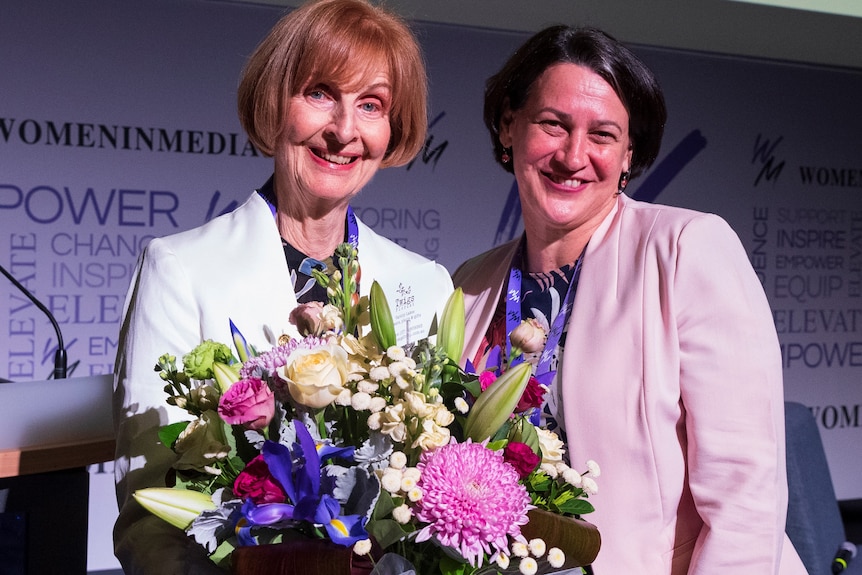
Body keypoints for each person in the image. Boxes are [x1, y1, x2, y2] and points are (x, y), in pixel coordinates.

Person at [111, 1, 452, 572]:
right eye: (320, 93)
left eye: (371, 105)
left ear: (394, 129)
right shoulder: (180, 269)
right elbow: (148, 514)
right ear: (274, 103)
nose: (344, 130)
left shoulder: (425, 284)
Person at [453, 26, 807, 574]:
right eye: (553, 124)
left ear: (628, 154)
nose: (574, 155)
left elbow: (747, 499)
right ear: (508, 126)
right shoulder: (471, 285)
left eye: (603, 135)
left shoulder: (687, 249)